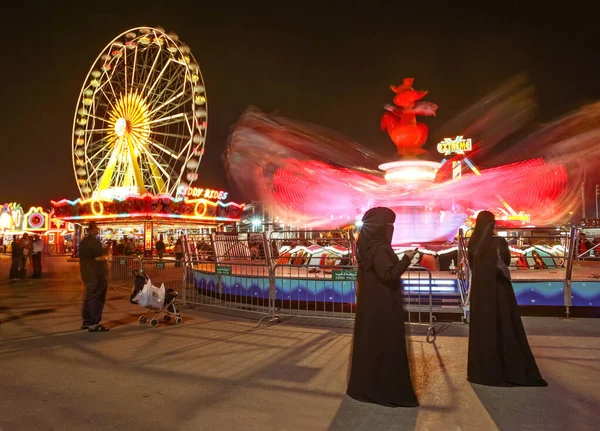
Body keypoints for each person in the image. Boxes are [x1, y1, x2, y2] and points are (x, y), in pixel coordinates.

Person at [347, 207, 420, 407]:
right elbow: (388, 275)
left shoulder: (365, 248)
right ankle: (384, 389)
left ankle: (369, 385)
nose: (391, 229)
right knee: (386, 345)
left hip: (371, 307)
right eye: (390, 225)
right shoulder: (379, 249)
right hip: (384, 306)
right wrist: (406, 258)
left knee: (372, 344)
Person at [467, 211, 547, 387]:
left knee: (484, 328)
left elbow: (472, 264)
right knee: (504, 327)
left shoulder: (472, 244)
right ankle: (506, 367)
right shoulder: (498, 242)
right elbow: (506, 261)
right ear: (493, 224)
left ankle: (483, 370)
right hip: (499, 291)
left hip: (480, 294)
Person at [79, 222, 110, 332]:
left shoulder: (83, 241)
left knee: (89, 296)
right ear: (92, 229)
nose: (98, 229)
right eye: (97, 228)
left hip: (85, 272)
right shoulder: (95, 242)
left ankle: (86, 321)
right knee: (97, 297)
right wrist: (106, 258)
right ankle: (93, 323)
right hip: (96, 273)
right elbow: (97, 258)